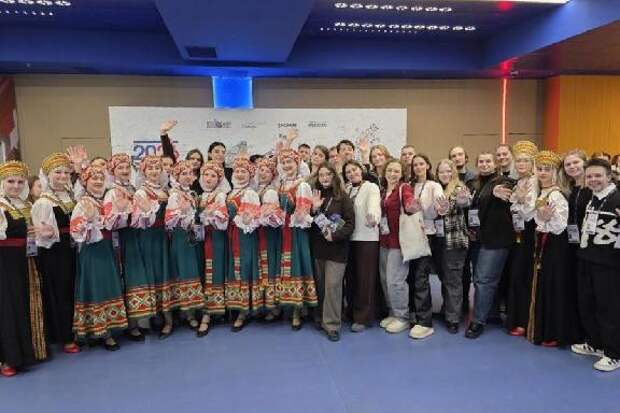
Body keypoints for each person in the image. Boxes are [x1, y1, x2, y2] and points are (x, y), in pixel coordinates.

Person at [526, 150, 580, 346]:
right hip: (543, 243)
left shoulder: (556, 194)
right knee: (544, 284)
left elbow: (559, 227)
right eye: (539, 169)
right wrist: (542, 219)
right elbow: (533, 217)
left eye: (547, 169)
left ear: (555, 172)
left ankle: (555, 332)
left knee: (553, 285)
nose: (542, 173)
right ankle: (544, 330)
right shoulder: (542, 192)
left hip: (555, 246)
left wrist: (545, 220)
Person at [70, 165, 128, 351]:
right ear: (85, 182)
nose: (98, 182)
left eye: (101, 179)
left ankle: (108, 328)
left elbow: (115, 225)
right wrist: (89, 220)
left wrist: (119, 212)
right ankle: (102, 332)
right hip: (93, 250)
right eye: (93, 179)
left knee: (108, 285)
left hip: (108, 248)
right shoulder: (83, 203)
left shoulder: (106, 200)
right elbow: (76, 232)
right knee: (96, 287)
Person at [573, 158, 620, 372]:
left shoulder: (617, 197)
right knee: (588, 303)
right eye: (589, 176)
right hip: (587, 259)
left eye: (598, 175)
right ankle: (596, 343)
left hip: (609, 264)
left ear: (609, 176)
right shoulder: (593, 198)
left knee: (608, 308)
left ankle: (614, 354)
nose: (593, 180)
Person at [0, 161, 47, 377]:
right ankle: (8, 358)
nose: (16, 186)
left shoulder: (27, 204)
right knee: (8, 308)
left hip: (27, 260)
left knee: (26, 303)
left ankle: (28, 353)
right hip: (5, 262)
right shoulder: (1, 206)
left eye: (20, 182)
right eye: (11, 181)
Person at [31, 153, 80, 354]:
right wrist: (49, 233)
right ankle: (65, 336)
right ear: (48, 175)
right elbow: (42, 237)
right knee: (61, 293)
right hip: (55, 253)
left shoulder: (70, 195)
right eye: (57, 172)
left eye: (66, 172)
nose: (62, 176)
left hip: (72, 249)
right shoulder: (44, 202)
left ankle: (77, 330)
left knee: (73, 290)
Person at [465, 152, 515, 339]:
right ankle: (490, 313)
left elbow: (506, 191)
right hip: (478, 238)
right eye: (481, 161)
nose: (484, 164)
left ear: (495, 164)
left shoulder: (502, 181)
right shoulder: (475, 184)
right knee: (483, 279)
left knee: (484, 280)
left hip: (496, 240)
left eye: (488, 161)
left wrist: (494, 194)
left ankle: (478, 321)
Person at [102, 153, 152, 342]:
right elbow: (109, 222)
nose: (124, 171)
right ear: (113, 171)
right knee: (123, 278)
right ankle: (119, 327)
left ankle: (133, 324)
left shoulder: (133, 189)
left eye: (126, 167)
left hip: (134, 237)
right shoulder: (111, 192)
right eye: (120, 168)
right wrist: (123, 211)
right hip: (120, 239)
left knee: (133, 278)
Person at [132, 155, 176, 339]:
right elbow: (138, 220)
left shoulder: (167, 190)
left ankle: (168, 318)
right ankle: (153, 317)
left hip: (164, 236)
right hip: (148, 237)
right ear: (143, 171)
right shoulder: (141, 192)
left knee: (165, 273)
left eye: (157, 168)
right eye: (150, 168)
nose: (154, 171)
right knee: (152, 273)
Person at [310, 162, 355, 342]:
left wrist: (335, 236)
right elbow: (308, 222)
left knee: (333, 287)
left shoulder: (343, 198)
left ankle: (332, 325)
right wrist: (314, 209)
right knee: (321, 287)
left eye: (328, 174)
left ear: (334, 176)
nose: (324, 178)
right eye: (321, 175)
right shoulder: (315, 196)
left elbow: (350, 225)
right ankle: (320, 317)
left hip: (337, 250)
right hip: (318, 250)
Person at [278, 148, 319, 329]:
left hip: (296, 232)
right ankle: (287, 305)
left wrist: (295, 214)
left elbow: (303, 214)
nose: (287, 165)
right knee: (285, 268)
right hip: (282, 231)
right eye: (284, 162)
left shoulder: (302, 185)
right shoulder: (281, 184)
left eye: (290, 162)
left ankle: (298, 309)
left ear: (297, 164)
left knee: (296, 266)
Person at [378, 159, 418, 334]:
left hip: (399, 242)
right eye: (390, 170)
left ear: (402, 174)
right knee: (385, 279)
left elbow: (410, 202)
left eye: (396, 171)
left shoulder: (404, 188)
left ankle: (403, 317)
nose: (392, 174)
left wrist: (412, 205)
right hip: (383, 241)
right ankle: (393, 312)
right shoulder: (382, 191)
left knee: (396, 281)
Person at [165, 160, 205, 332]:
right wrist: (180, 211)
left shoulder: (193, 194)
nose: (187, 176)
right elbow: (169, 222)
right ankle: (188, 313)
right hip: (182, 238)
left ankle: (194, 310)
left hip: (193, 237)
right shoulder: (175, 195)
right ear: (176, 176)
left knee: (194, 270)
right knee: (185, 271)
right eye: (183, 174)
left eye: (190, 173)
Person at [505, 141, 539, 337]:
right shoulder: (518, 182)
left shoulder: (535, 182)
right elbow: (514, 209)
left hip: (530, 235)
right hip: (517, 234)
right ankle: (516, 318)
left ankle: (526, 321)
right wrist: (518, 201)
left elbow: (528, 212)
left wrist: (519, 201)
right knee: (516, 276)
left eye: (526, 160)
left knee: (525, 276)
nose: (521, 164)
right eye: (518, 160)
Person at [343, 160, 381, 333]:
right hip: (349, 238)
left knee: (365, 279)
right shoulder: (347, 189)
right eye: (348, 172)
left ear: (361, 170)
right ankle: (351, 311)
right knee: (351, 278)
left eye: (354, 170)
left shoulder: (371, 187)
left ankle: (363, 317)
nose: (352, 173)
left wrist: (373, 217)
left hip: (366, 238)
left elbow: (374, 205)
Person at [434, 159, 471, 334]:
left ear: (454, 172)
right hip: (439, 241)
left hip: (454, 242)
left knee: (453, 280)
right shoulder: (436, 189)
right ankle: (448, 309)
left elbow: (465, 202)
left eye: (448, 171)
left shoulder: (459, 189)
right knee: (445, 278)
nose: (445, 174)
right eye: (441, 171)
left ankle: (453, 318)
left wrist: (463, 199)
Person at [407, 154, 442, 339]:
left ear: (428, 165)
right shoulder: (409, 186)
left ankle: (425, 322)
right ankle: (413, 314)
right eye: (415, 165)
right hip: (410, 235)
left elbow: (437, 211)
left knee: (421, 278)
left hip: (426, 235)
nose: (418, 167)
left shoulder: (434, 186)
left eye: (421, 164)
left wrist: (423, 207)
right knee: (411, 277)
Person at [225, 156, 261, 331]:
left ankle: (244, 310)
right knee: (235, 268)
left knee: (244, 268)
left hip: (245, 236)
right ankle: (236, 305)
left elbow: (251, 221)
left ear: (250, 175)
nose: (239, 174)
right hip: (232, 235)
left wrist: (246, 219)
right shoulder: (231, 193)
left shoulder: (250, 193)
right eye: (237, 171)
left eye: (243, 171)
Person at [197, 161, 230, 336]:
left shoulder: (220, 196)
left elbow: (222, 221)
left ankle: (209, 313)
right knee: (203, 272)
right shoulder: (200, 195)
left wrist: (208, 215)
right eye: (206, 175)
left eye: (213, 176)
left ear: (219, 179)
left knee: (214, 272)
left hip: (215, 238)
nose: (209, 178)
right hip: (201, 240)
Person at [255, 156, 284, 320]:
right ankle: (264, 304)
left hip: (269, 234)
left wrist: (260, 215)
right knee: (262, 266)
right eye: (261, 170)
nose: (263, 173)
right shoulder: (256, 189)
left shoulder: (271, 191)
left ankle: (273, 306)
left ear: (273, 175)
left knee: (270, 266)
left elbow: (273, 217)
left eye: (267, 171)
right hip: (259, 233)